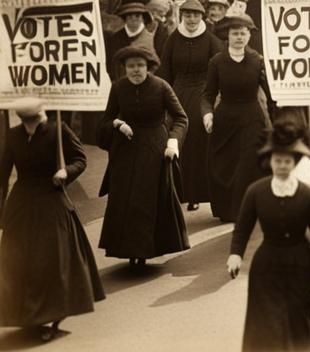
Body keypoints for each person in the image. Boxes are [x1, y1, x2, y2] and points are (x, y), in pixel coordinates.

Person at [0, 97, 105, 342]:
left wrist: (65, 172)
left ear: (43, 114)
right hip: (22, 203)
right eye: (28, 120)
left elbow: (80, 159)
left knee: (52, 260)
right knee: (19, 261)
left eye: (36, 118)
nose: (33, 124)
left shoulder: (59, 130)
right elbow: (2, 176)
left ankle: (52, 317)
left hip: (52, 199)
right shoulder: (13, 136)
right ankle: (28, 317)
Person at [228, 119, 310, 352]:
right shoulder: (256, 192)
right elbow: (242, 227)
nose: (282, 166)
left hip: (301, 268)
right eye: (278, 161)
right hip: (266, 270)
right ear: (270, 161)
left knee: (300, 329)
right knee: (268, 328)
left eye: (287, 161)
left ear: (294, 163)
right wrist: (235, 254)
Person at [97, 45, 190, 266]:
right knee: (125, 199)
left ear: (149, 67)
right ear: (124, 68)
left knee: (148, 198)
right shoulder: (118, 88)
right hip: (125, 150)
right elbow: (106, 120)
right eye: (131, 66)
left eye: (140, 66)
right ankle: (129, 251)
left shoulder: (161, 87)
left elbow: (181, 118)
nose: (136, 70)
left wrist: (173, 142)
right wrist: (117, 124)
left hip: (155, 149)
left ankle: (148, 250)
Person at [202, 13, 272, 222]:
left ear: (249, 36)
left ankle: (249, 209)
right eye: (235, 34)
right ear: (228, 36)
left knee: (249, 164)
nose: (239, 37)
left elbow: (270, 92)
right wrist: (207, 114)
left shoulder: (257, 60)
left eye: (243, 33)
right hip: (226, 119)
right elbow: (208, 94)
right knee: (227, 164)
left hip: (252, 118)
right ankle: (228, 210)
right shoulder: (217, 61)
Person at [157, 0, 223, 210]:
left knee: (202, 143)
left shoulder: (211, 40)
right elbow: (165, 71)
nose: (192, 19)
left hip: (204, 96)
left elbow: (219, 70)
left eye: (195, 15)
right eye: (187, 15)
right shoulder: (173, 40)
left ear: (201, 16)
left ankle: (203, 193)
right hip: (178, 94)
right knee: (178, 141)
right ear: (182, 16)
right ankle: (181, 193)